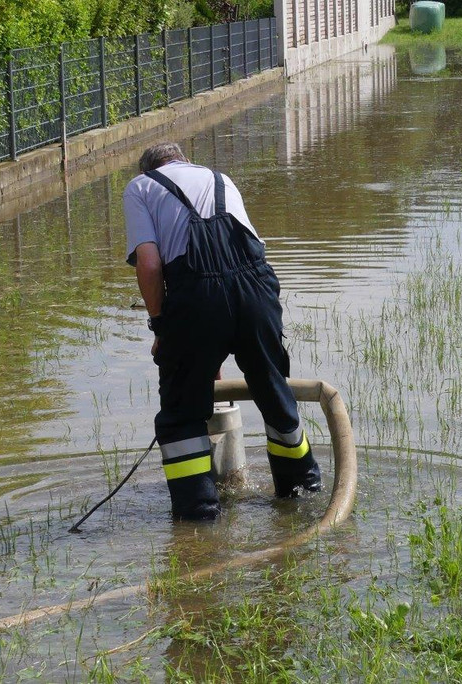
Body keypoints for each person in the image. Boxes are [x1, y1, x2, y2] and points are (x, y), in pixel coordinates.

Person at [122, 141, 322, 521]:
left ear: (147, 168)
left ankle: (198, 523)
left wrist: (162, 327)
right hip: (257, 290)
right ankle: (302, 498)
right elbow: (240, 254)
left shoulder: (141, 187)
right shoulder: (219, 178)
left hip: (196, 299)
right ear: (185, 160)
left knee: (182, 413)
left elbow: (149, 265)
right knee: (273, 391)